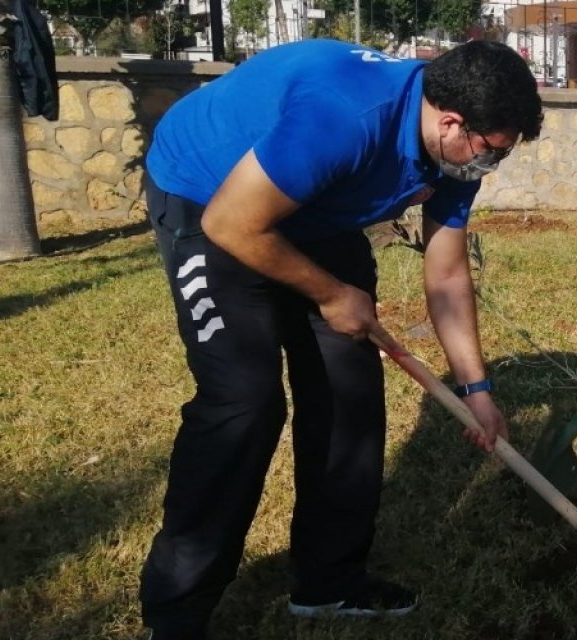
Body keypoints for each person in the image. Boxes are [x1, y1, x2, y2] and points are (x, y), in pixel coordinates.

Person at [138, 39, 542, 639]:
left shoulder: (453, 150)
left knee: (347, 392)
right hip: (209, 197)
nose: (490, 166)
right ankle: (176, 612)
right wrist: (330, 294)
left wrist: (476, 389)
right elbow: (233, 222)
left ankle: (328, 582)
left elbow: (448, 275)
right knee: (244, 402)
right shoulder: (346, 117)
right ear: (450, 122)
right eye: (491, 152)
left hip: (315, 206)